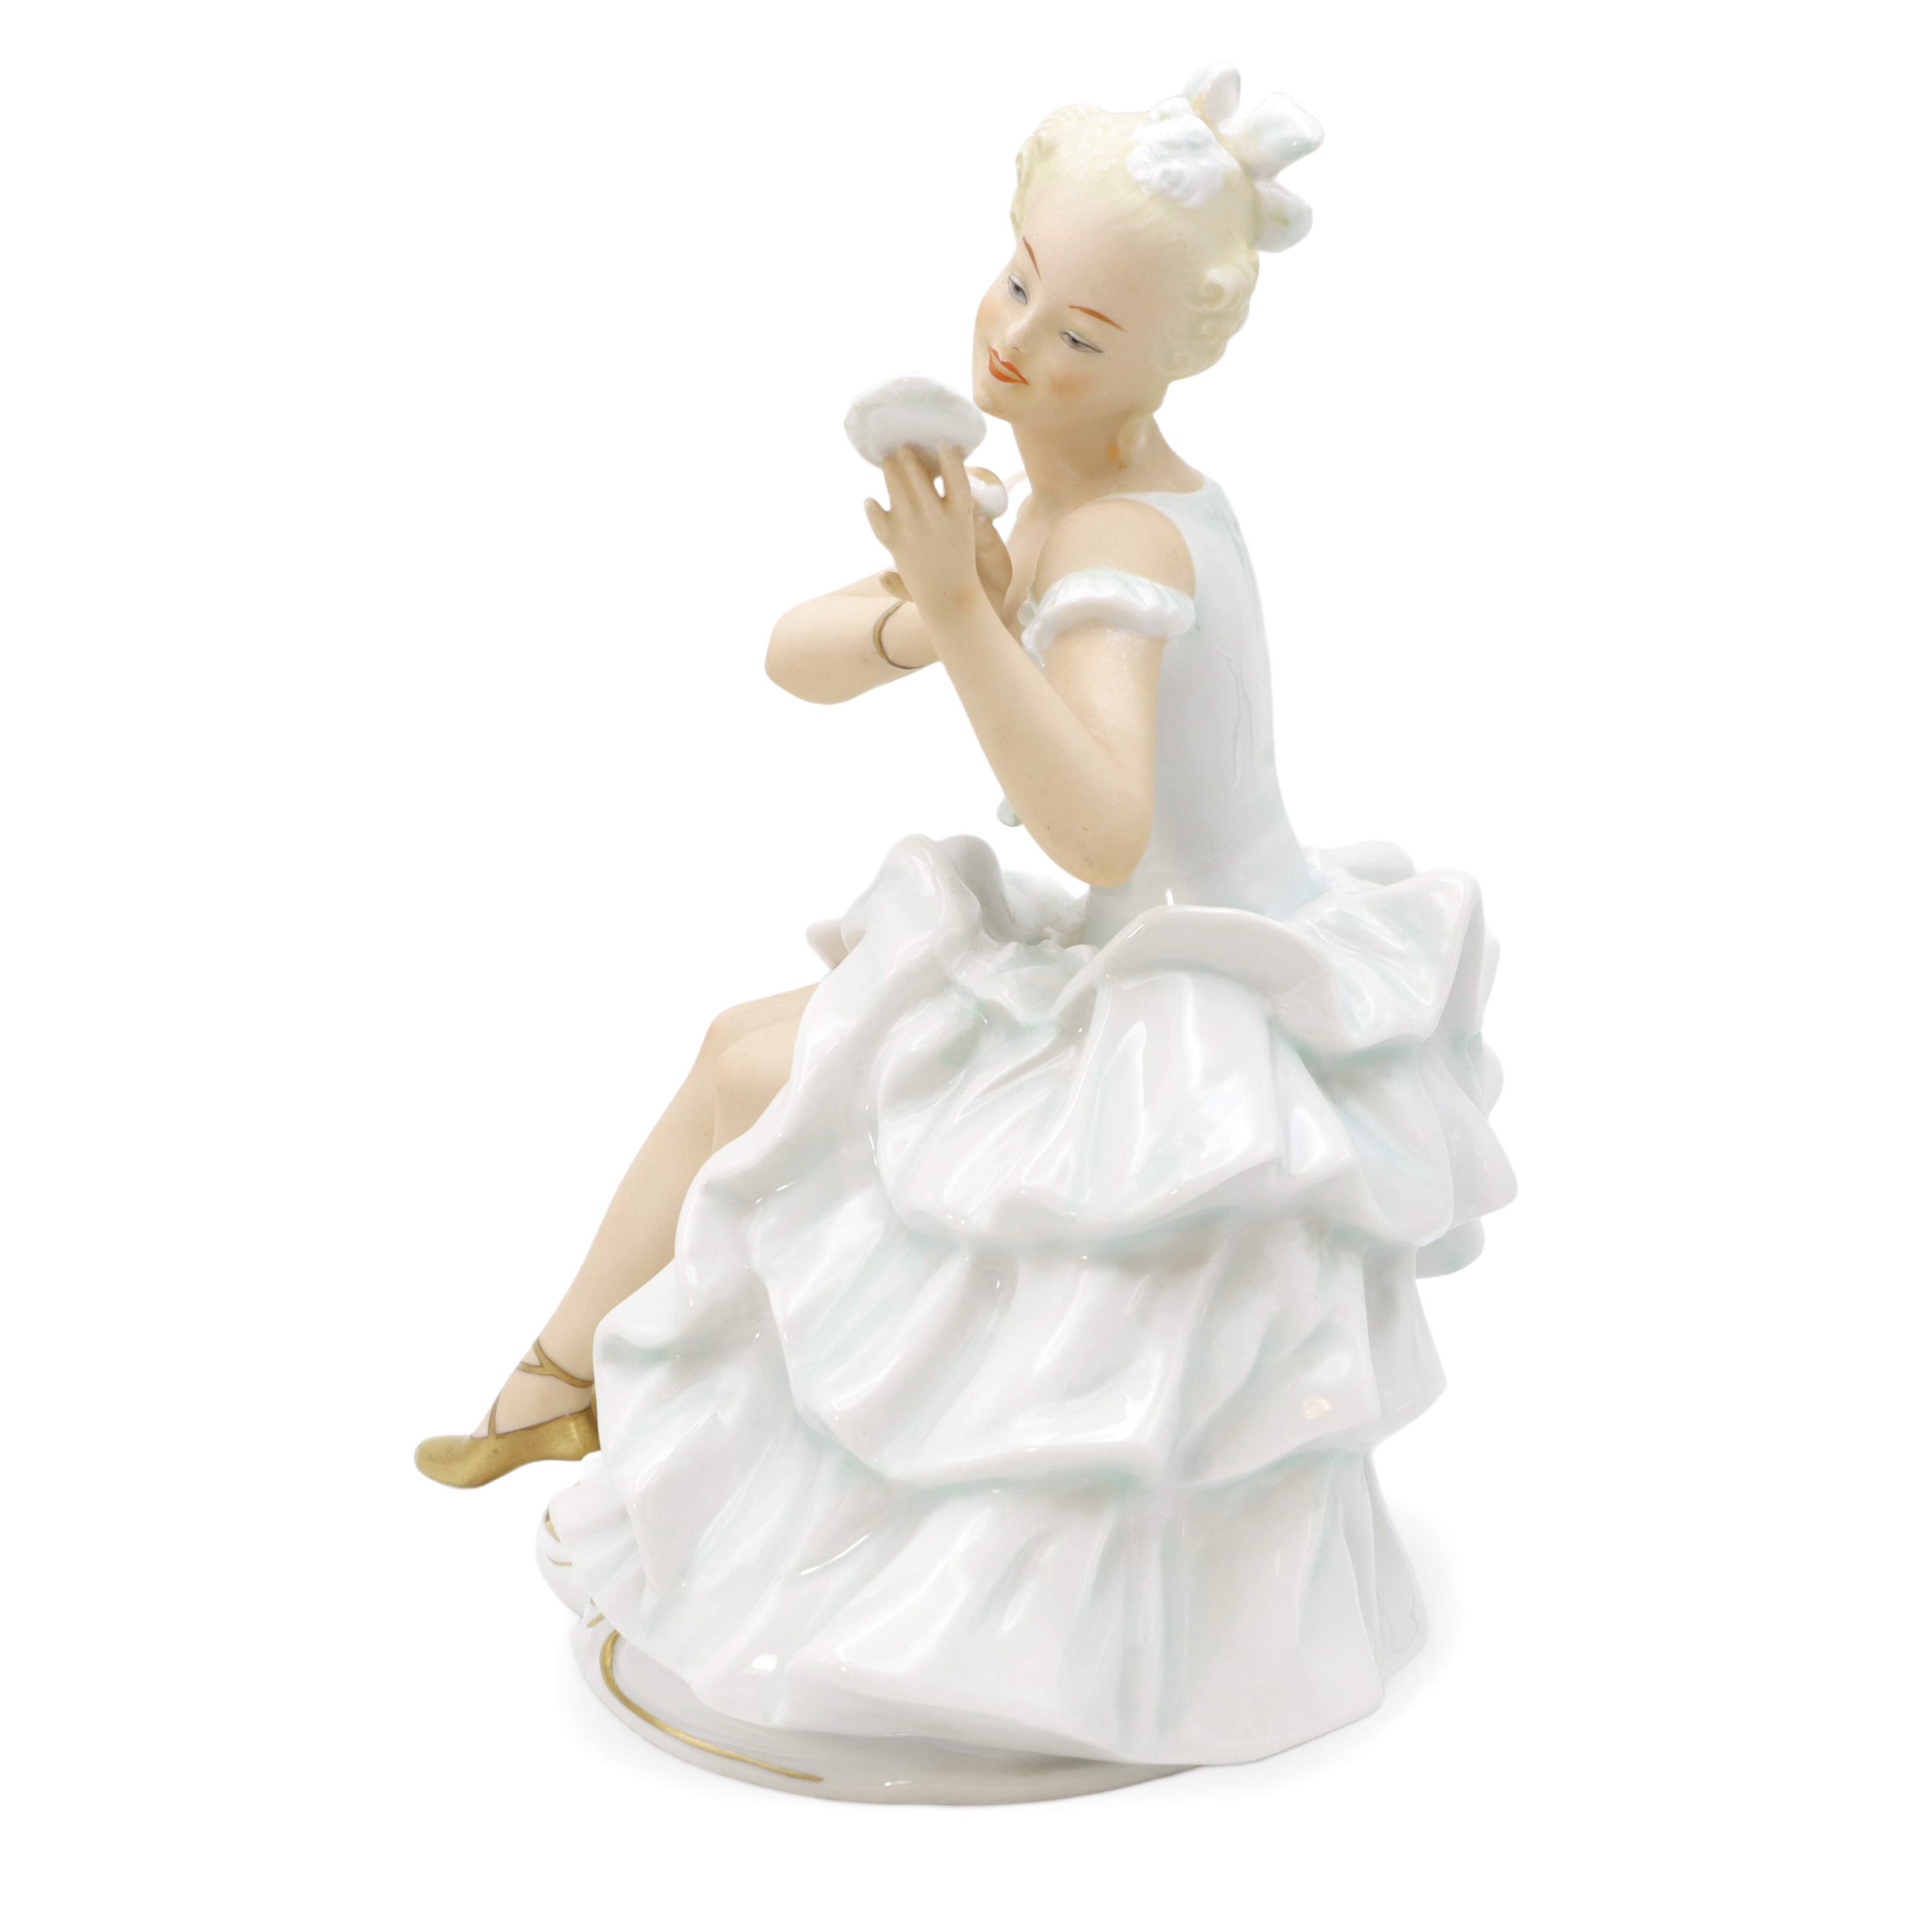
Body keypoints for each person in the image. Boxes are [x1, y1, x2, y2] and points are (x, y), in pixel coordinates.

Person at [417, 68, 1515, 1796]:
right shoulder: (1056, 492)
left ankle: (613, 1410)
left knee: (798, 1100)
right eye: (1016, 283)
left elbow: (1100, 823)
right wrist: (928, 612)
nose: (1016, 344)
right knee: (744, 1054)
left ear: (1166, 362)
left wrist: (964, 613)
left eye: (1079, 335)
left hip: (1196, 989)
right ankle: (564, 1382)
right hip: (1138, 945)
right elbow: (792, 656)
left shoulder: (1126, 537)